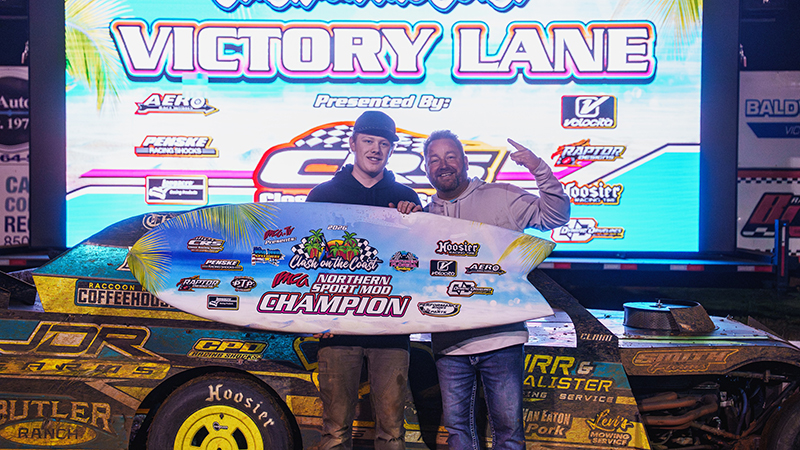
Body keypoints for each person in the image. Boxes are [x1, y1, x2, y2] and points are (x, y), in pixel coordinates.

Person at [396, 130, 570, 450]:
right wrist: (405, 219)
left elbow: (556, 215)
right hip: (449, 344)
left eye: (450, 157)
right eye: (434, 159)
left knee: (509, 433)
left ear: (465, 161)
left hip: (501, 339)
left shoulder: (501, 196)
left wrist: (538, 168)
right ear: (426, 169)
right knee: (458, 433)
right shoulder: (424, 216)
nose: (443, 164)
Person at [306, 110, 421, 450]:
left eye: (383, 143)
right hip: (337, 328)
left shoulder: (407, 198)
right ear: (352, 143)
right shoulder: (322, 195)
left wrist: (415, 223)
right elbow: (307, 262)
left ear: (391, 150)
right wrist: (314, 316)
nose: (375, 149)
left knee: (392, 432)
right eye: (368, 141)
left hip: (392, 329)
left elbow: (417, 263)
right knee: (334, 431)